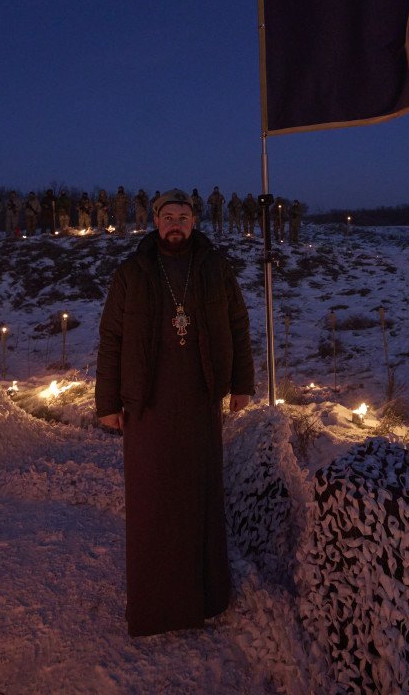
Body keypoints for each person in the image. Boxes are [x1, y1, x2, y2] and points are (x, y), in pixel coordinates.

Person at [95, 188, 254, 638]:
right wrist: (108, 403)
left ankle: (205, 599)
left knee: (199, 497)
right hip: (148, 405)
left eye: (184, 215)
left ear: (195, 221)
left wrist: (242, 384)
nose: (176, 223)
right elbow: (111, 338)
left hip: (201, 400)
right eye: (168, 216)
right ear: (156, 221)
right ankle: (155, 608)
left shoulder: (216, 269)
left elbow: (238, 326)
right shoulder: (132, 273)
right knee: (154, 503)